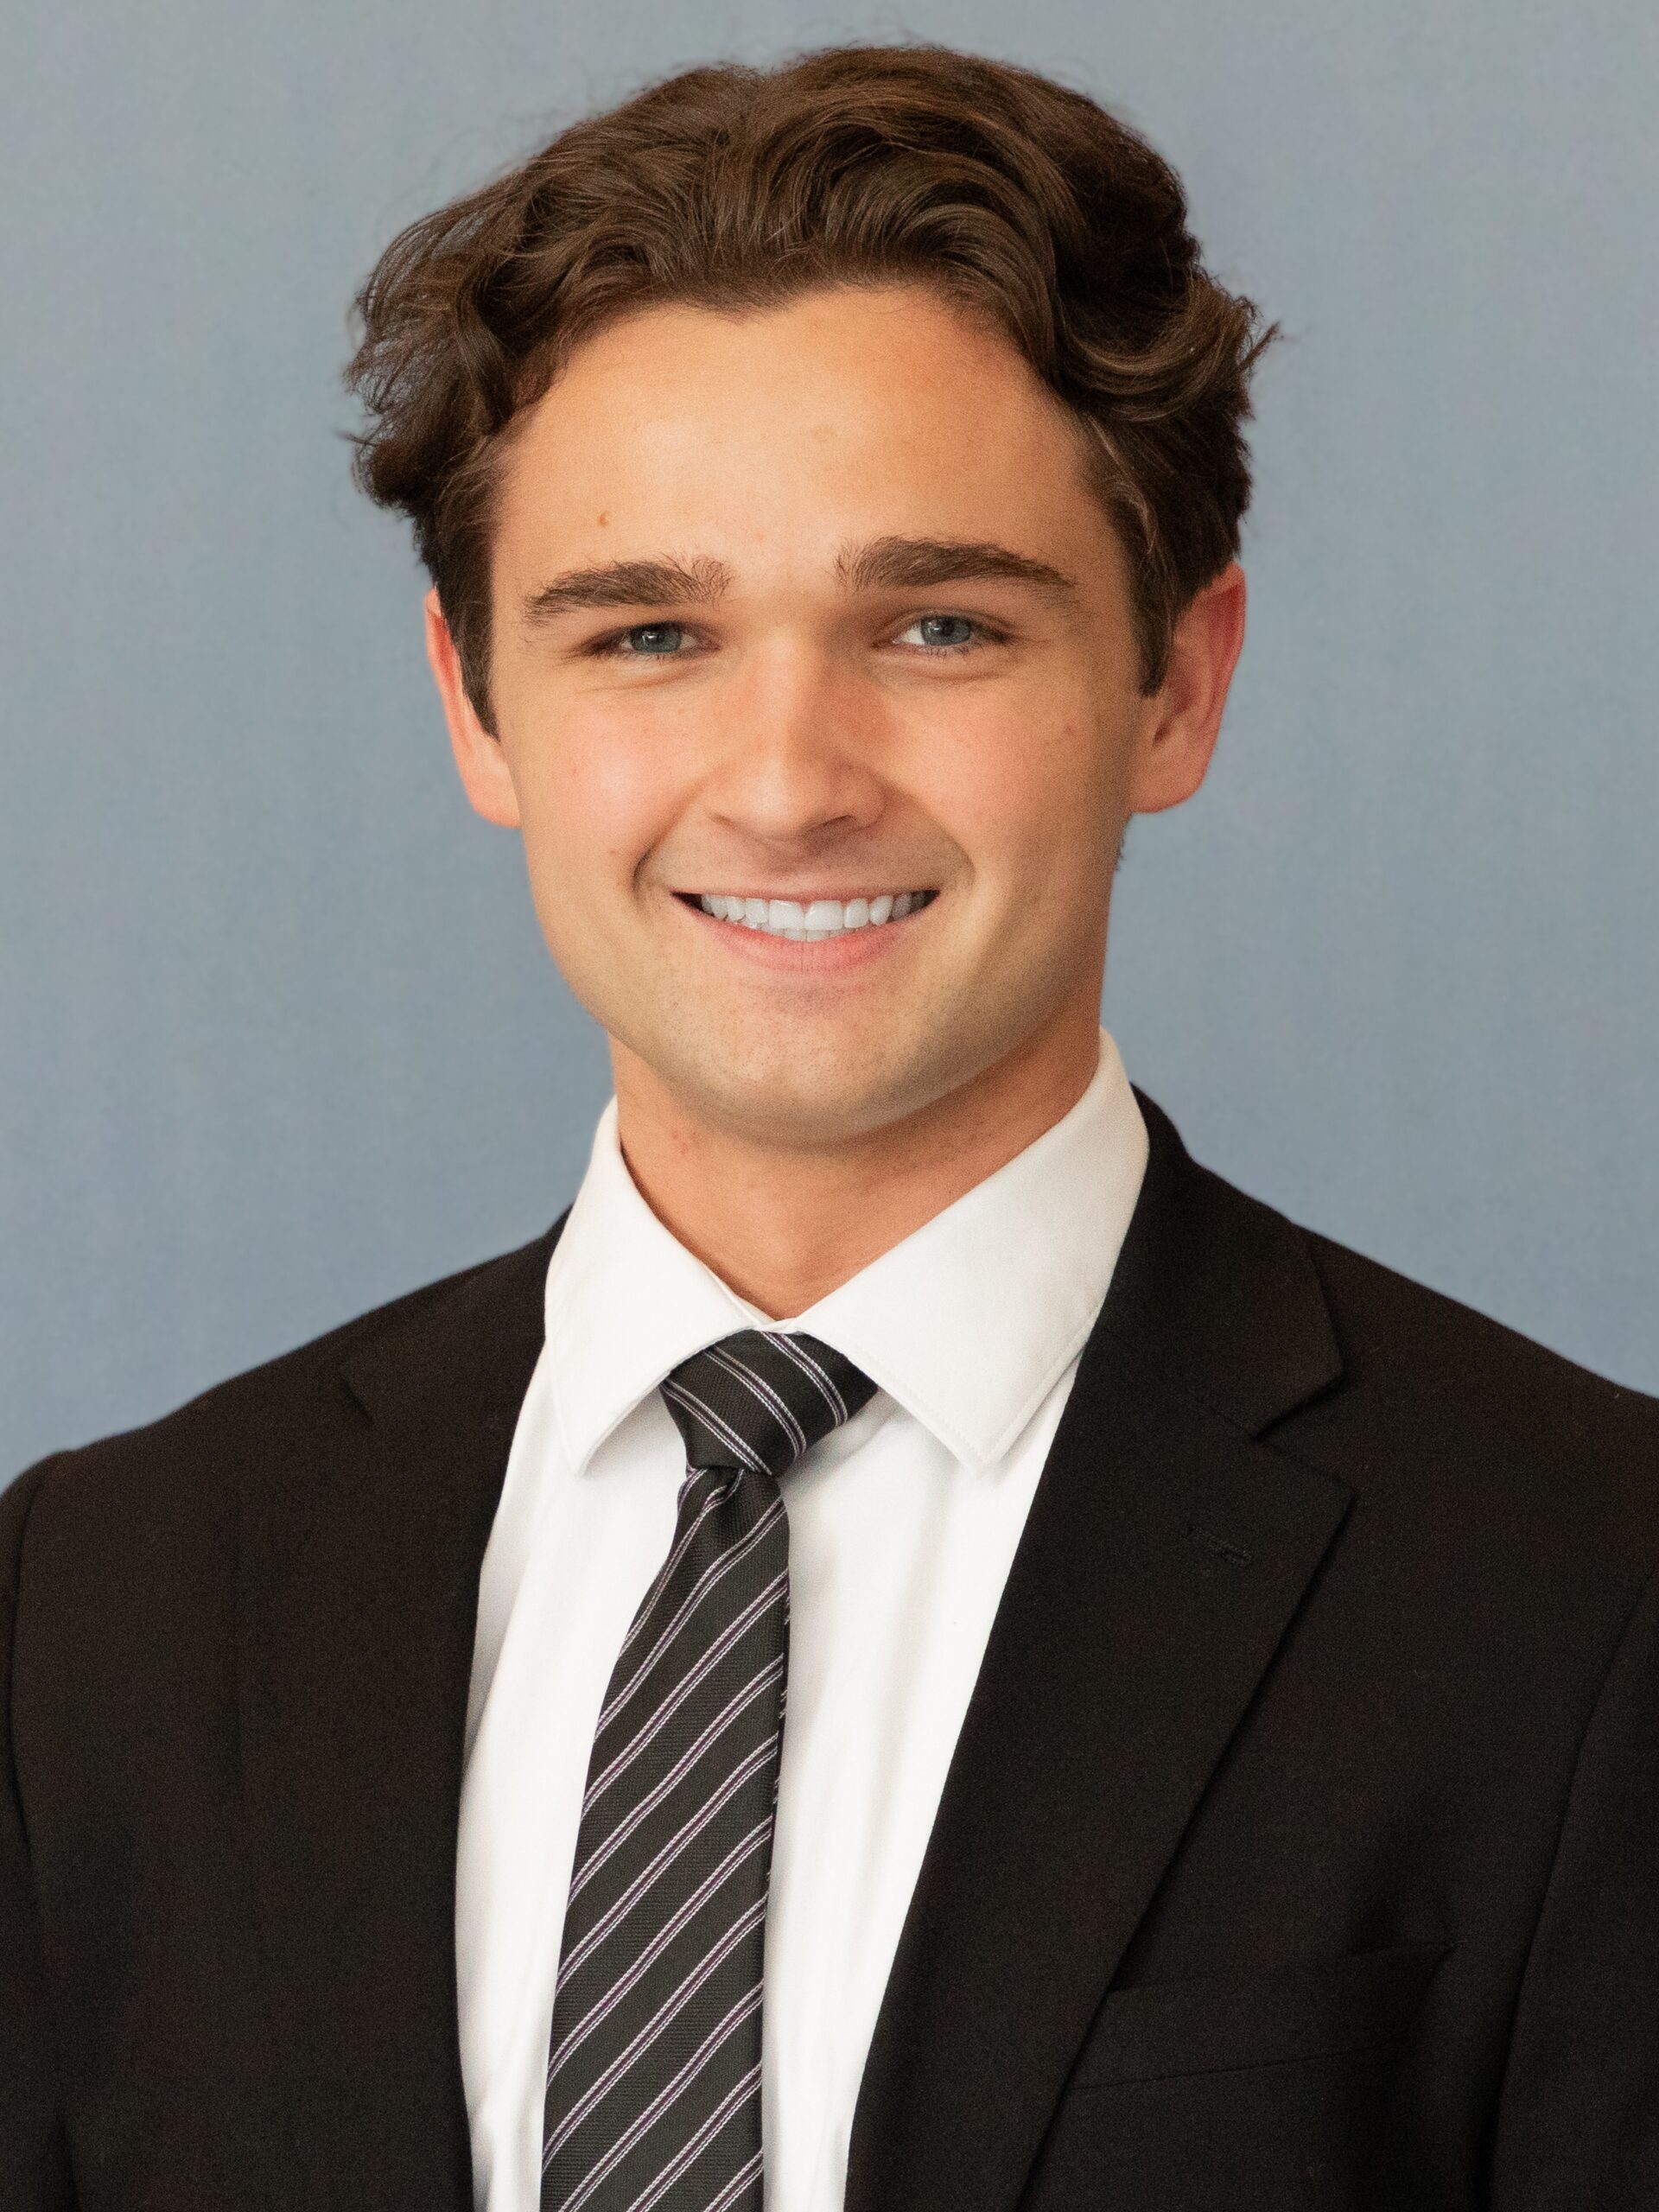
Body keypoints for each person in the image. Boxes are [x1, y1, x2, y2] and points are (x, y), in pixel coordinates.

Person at [3, 40, 1656, 2212]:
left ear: (1177, 684)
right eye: (651, 631)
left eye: (939, 622)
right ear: (474, 705)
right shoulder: (96, 1608)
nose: (788, 778)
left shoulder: (1592, 1591)